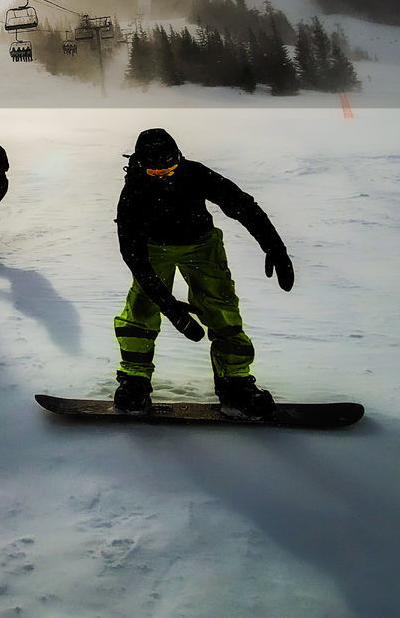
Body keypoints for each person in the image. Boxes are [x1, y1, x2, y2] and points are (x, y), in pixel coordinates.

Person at [111, 127, 295, 419]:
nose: (165, 176)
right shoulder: (133, 191)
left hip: (201, 245)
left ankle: (235, 384)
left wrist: (275, 247)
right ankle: (134, 380)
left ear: (179, 159)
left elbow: (242, 205)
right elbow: (133, 256)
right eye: (155, 172)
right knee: (141, 308)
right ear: (140, 166)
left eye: (170, 168)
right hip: (153, 249)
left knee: (222, 308)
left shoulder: (194, 174)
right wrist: (170, 307)